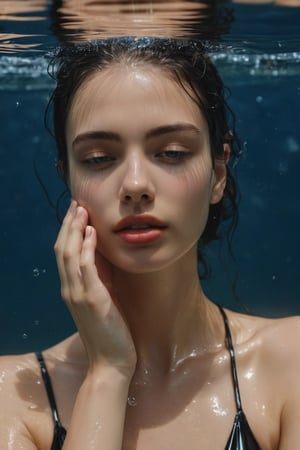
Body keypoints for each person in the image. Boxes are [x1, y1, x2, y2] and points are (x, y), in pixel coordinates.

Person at [1, 36, 300, 450]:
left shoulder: (291, 363)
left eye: (172, 152)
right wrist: (107, 372)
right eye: (98, 158)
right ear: (67, 176)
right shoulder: (13, 396)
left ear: (217, 173)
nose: (136, 185)